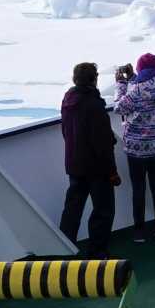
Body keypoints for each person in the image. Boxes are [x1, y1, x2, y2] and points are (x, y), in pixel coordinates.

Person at [60, 61, 121, 254]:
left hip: (74, 164)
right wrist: (112, 172)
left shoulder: (68, 100)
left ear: (75, 79)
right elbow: (102, 144)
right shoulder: (94, 105)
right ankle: (97, 252)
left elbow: (66, 131)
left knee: (73, 209)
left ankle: (64, 250)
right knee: (103, 210)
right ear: (94, 80)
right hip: (96, 168)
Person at [114, 52, 155, 241]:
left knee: (139, 189)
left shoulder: (136, 90)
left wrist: (121, 85)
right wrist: (132, 78)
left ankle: (139, 231)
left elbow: (119, 108)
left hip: (136, 149)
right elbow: (145, 88)